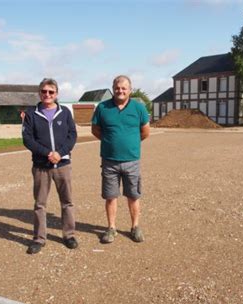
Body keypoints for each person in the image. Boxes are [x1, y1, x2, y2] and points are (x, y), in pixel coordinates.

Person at [91, 75, 150, 243]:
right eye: (117, 88)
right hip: (109, 161)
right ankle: (111, 228)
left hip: (132, 161)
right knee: (111, 196)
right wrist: (111, 141)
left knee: (133, 196)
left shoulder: (139, 108)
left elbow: (145, 132)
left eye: (124, 88)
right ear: (113, 89)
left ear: (130, 90)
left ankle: (135, 227)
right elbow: (95, 130)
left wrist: (130, 143)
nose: (120, 91)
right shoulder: (102, 108)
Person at [22, 78, 78, 254]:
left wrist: (59, 153)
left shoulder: (65, 112)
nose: (47, 95)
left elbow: (72, 135)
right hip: (41, 166)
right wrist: (47, 153)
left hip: (63, 164)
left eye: (51, 92)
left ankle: (69, 235)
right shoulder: (31, 113)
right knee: (40, 204)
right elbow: (27, 139)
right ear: (39, 93)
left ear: (57, 94)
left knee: (67, 202)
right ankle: (39, 238)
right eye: (44, 91)